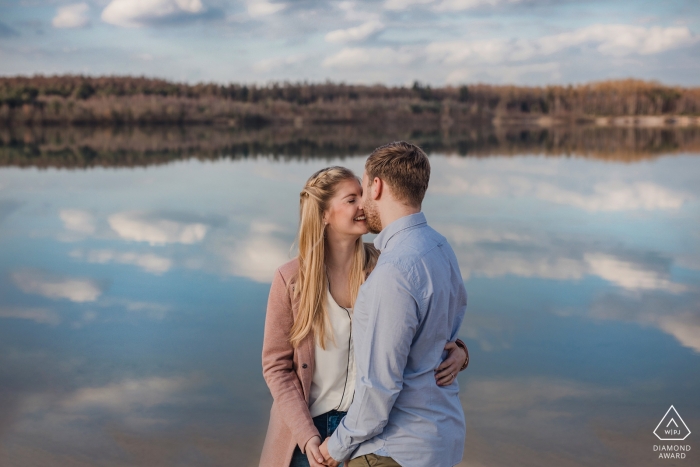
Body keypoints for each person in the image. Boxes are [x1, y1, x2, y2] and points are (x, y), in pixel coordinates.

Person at [260, 166, 469, 467]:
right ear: (323, 215)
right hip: (305, 432)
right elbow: (276, 367)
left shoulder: (387, 268)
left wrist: (460, 351)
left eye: (363, 193)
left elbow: (427, 321)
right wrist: (308, 437)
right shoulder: (290, 280)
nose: (365, 203)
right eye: (351, 199)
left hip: (369, 434)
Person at [319, 142, 469, 467]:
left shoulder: (393, 272)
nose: (362, 204)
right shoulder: (441, 248)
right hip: (443, 439)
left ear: (377, 185)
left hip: (394, 450)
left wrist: (336, 448)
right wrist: (462, 352)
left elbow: (379, 387)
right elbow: (438, 334)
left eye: (363, 187)